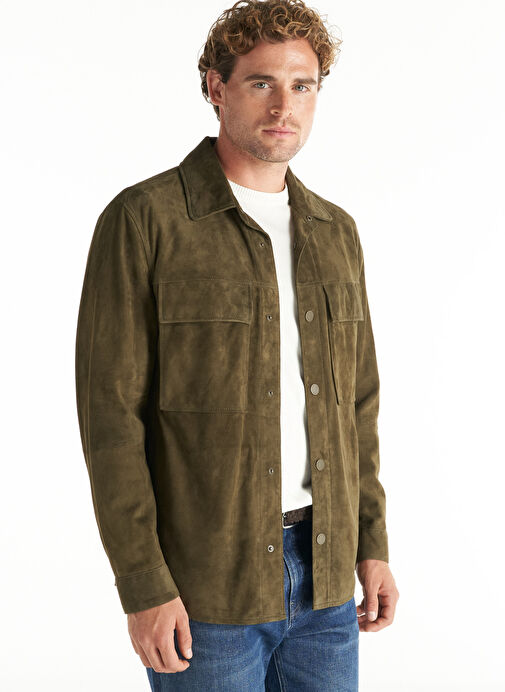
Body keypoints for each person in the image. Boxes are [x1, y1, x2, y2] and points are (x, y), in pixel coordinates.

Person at [75, 0, 399, 689]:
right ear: (216, 87)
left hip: (327, 583)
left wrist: (371, 543)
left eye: (302, 85)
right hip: (204, 588)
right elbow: (111, 420)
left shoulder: (334, 232)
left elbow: (357, 406)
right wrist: (143, 583)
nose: (284, 105)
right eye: (261, 82)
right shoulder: (146, 221)